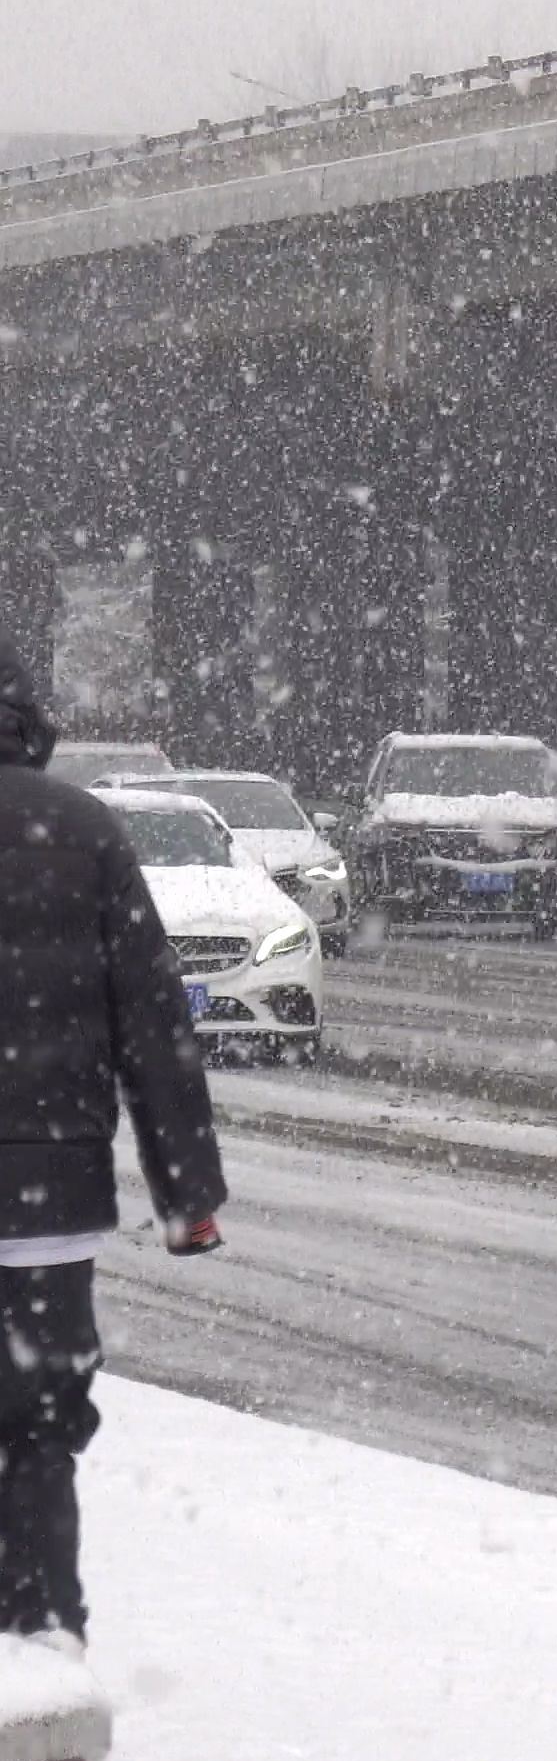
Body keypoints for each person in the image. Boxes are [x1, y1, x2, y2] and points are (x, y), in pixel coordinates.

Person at [0, 639, 224, 1642]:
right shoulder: (84, 831)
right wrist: (189, 1194)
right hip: (51, 1204)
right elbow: (152, 1026)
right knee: (41, 1429)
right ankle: (44, 1624)